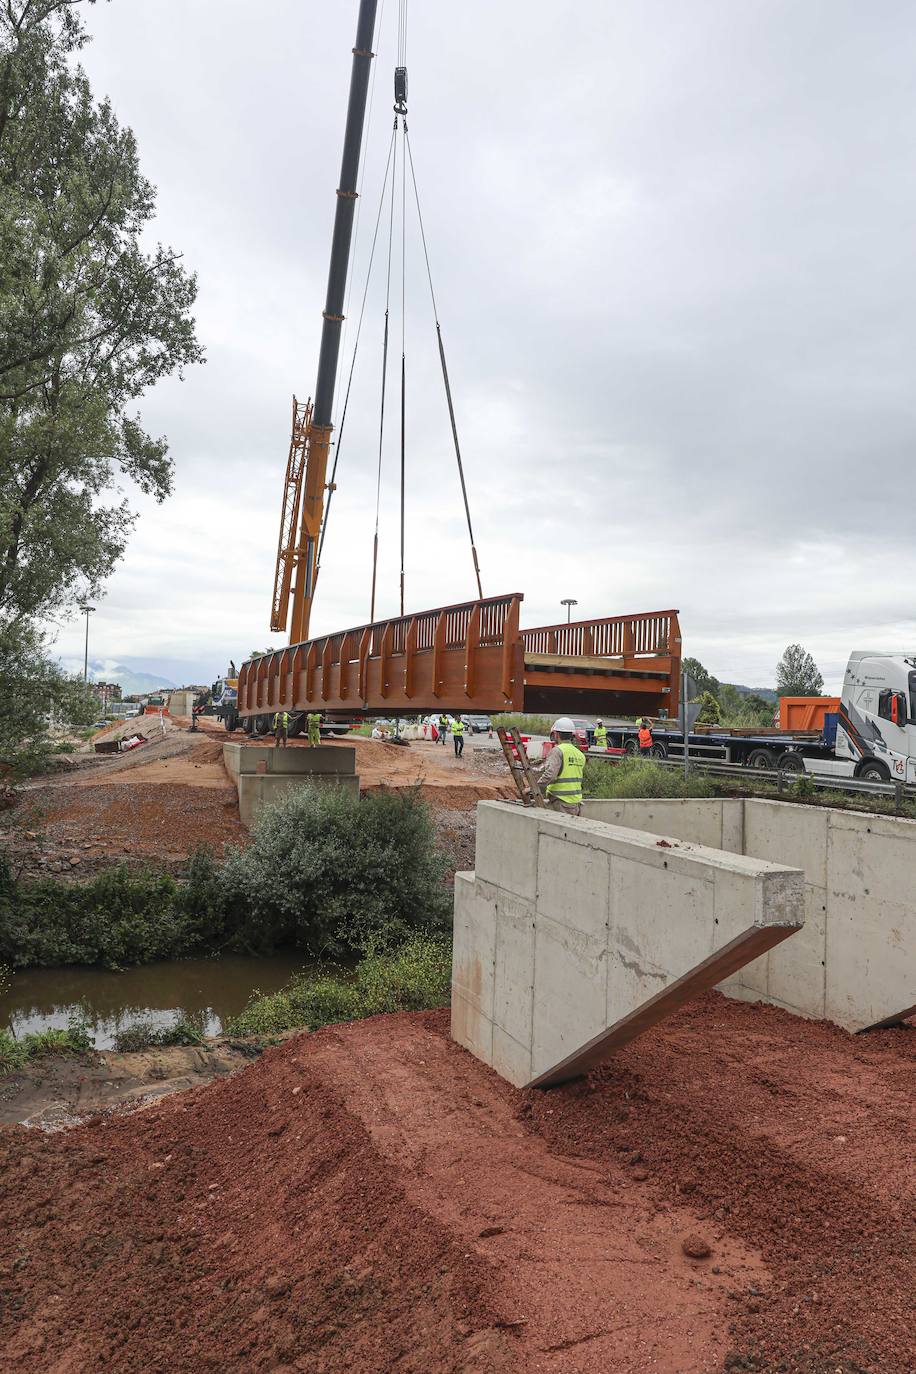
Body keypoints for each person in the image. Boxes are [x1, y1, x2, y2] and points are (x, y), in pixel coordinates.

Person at [539, 716, 586, 815]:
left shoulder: (557, 751)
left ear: (556, 734)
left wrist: (534, 789)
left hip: (561, 802)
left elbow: (549, 775)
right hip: (576, 803)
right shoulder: (580, 754)